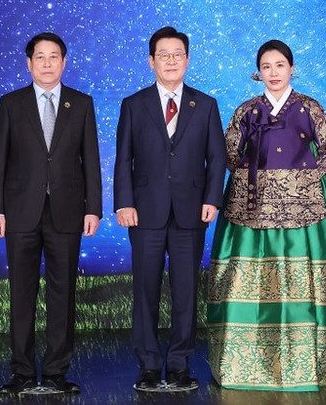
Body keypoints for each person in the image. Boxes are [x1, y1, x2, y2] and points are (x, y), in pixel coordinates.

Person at [207, 39, 326, 391]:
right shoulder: (246, 111)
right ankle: (248, 363)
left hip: (304, 207)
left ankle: (316, 362)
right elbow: (227, 154)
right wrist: (261, 182)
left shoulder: (310, 108)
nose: (273, 73)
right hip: (252, 207)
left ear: (292, 69)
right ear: (258, 73)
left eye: (280, 65)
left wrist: (297, 183)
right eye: (266, 67)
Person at [0, 32, 102, 396]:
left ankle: (55, 372)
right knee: (21, 294)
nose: (48, 63)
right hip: (20, 212)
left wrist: (94, 208)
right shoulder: (11, 103)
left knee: (62, 293)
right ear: (29, 63)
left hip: (68, 212)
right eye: (40, 57)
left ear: (64, 62)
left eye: (54, 57)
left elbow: (91, 162)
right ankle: (21, 373)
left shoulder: (81, 104)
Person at [114, 26, 227, 392]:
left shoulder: (205, 104)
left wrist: (212, 200)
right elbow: (123, 159)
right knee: (144, 289)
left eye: (178, 54)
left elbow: (217, 158)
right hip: (144, 212)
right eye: (164, 54)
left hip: (191, 212)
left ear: (188, 60)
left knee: (185, 291)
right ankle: (148, 364)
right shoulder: (133, 104)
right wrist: (124, 203)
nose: (171, 60)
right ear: (151, 61)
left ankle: (179, 363)